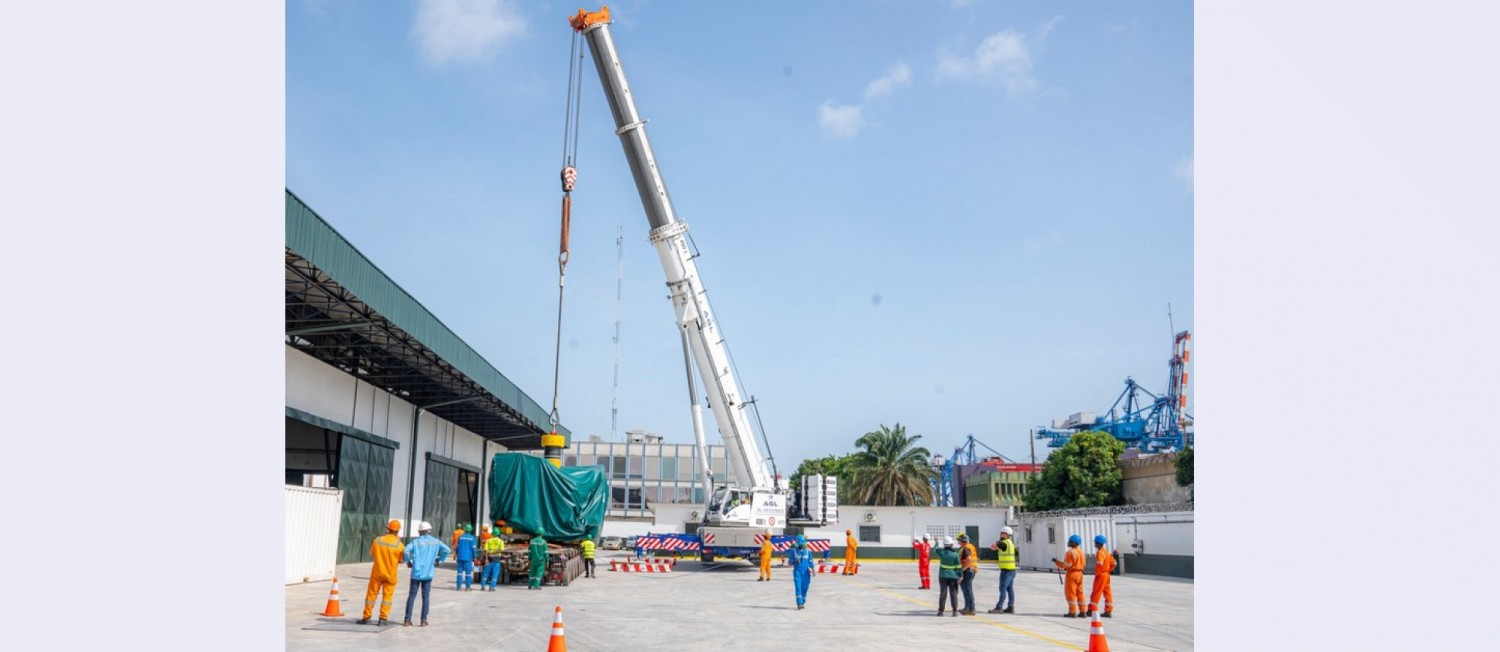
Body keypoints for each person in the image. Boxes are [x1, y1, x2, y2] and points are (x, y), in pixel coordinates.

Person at [357, 519, 405, 626]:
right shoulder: (399, 545)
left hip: (377, 573)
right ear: (398, 531)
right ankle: (383, 619)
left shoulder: (377, 540)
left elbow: (373, 553)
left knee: (371, 595)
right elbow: (401, 560)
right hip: (390, 575)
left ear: (388, 529)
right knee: (387, 597)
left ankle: (366, 617)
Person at [402, 521, 450, 627]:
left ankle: (407, 620)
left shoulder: (416, 542)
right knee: (426, 597)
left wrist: (408, 561)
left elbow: (405, 550)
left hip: (416, 573)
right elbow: (447, 549)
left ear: (419, 531)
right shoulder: (435, 542)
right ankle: (423, 621)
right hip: (428, 573)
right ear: (428, 530)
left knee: (412, 596)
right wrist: (439, 560)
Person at [1052, 534, 1087, 618]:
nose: (1068, 542)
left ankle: (1072, 612)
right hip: (1080, 574)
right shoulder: (1081, 552)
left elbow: (1066, 565)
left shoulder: (1070, 552)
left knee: (1071, 593)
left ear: (1074, 543)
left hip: (1072, 574)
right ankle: (1083, 611)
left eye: (1070, 541)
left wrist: (1057, 562)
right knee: (1080, 593)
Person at [988, 526, 1018, 614]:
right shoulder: (1010, 543)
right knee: (1009, 588)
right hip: (1012, 570)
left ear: (1007, 535)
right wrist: (997, 546)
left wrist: (997, 544)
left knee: (1003, 588)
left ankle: (999, 607)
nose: (1001, 535)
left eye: (1003, 534)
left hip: (1006, 571)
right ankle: (1010, 607)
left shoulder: (1004, 543)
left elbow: (992, 546)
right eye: (1001, 533)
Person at [1087, 535, 1116, 618]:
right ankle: (1108, 611)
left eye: (1095, 542)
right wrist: (1108, 570)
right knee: (1107, 593)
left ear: (1098, 543)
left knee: (1096, 592)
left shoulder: (1100, 553)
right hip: (1106, 575)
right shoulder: (1106, 553)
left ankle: (1091, 610)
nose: (1095, 544)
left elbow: (1099, 563)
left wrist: (1098, 573)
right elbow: (1114, 563)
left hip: (1101, 575)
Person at [935, 536, 961, 617]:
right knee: (953, 594)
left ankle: (941, 611)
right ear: (951, 544)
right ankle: (955, 611)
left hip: (943, 576)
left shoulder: (941, 552)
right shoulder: (955, 554)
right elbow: (959, 566)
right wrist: (960, 576)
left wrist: (937, 542)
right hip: (953, 577)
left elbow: (936, 549)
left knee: (943, 593)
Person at [789, 535, 814, 609]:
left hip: (806, 572)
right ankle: (799, 603)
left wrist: (813, 569)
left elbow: (810, 561)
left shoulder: (808, 551)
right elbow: (790, 562)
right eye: (799, 545)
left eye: (802, 545)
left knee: (805, 587)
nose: (801, 546)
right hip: (797, 571)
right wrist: (794, 562)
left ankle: (803, 601)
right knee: (798, 587)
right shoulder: (793, 551)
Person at [957, 532, 978, 615]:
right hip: (972, 570)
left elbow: (969, 559)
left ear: (962, 541)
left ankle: (971, 608)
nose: (958, 542)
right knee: (966, 589)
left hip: (968, 571)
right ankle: (967, 607)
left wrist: (963, 569)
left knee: (967, 590)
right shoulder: (970, 546)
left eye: (959, 541)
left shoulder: (966, 548)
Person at [454, 524, 477, 591]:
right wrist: (475, 556)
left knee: (459, 572)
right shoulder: (472, 538)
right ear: (471, 530)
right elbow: (474, 548)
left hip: (460, 557)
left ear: (465, 529)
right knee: (468, 573)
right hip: (468, 557)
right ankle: (467, 587)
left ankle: (458, 587)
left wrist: (456, 554)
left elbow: (457, 547)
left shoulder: (460, 537)